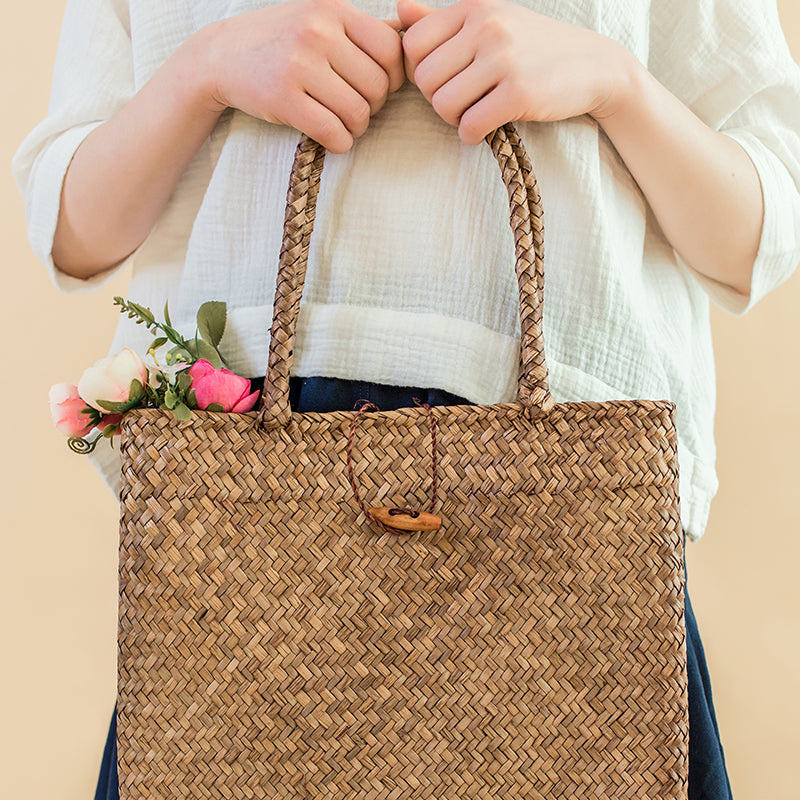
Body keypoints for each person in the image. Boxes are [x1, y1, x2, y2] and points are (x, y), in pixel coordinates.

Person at [14, 0, 800, 797]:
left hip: (556, 488)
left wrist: (611, 79)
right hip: (248, 488)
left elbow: (761, 229)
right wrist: (206, 69)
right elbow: (72, 231)